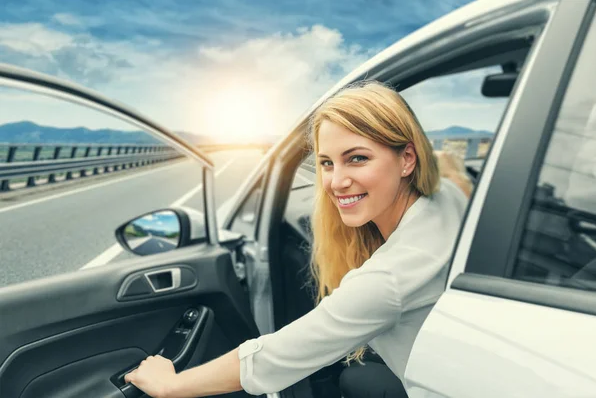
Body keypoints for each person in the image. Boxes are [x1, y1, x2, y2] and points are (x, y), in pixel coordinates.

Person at [124, 81, 470, 398]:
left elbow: (274, 359)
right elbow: (447, 168)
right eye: (326, 163)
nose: (336, 182)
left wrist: (170, 385)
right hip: (463, 371)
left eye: (358, 158)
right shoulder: (449, 197)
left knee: (354, 380)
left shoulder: (387, 279)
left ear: (407, 159)